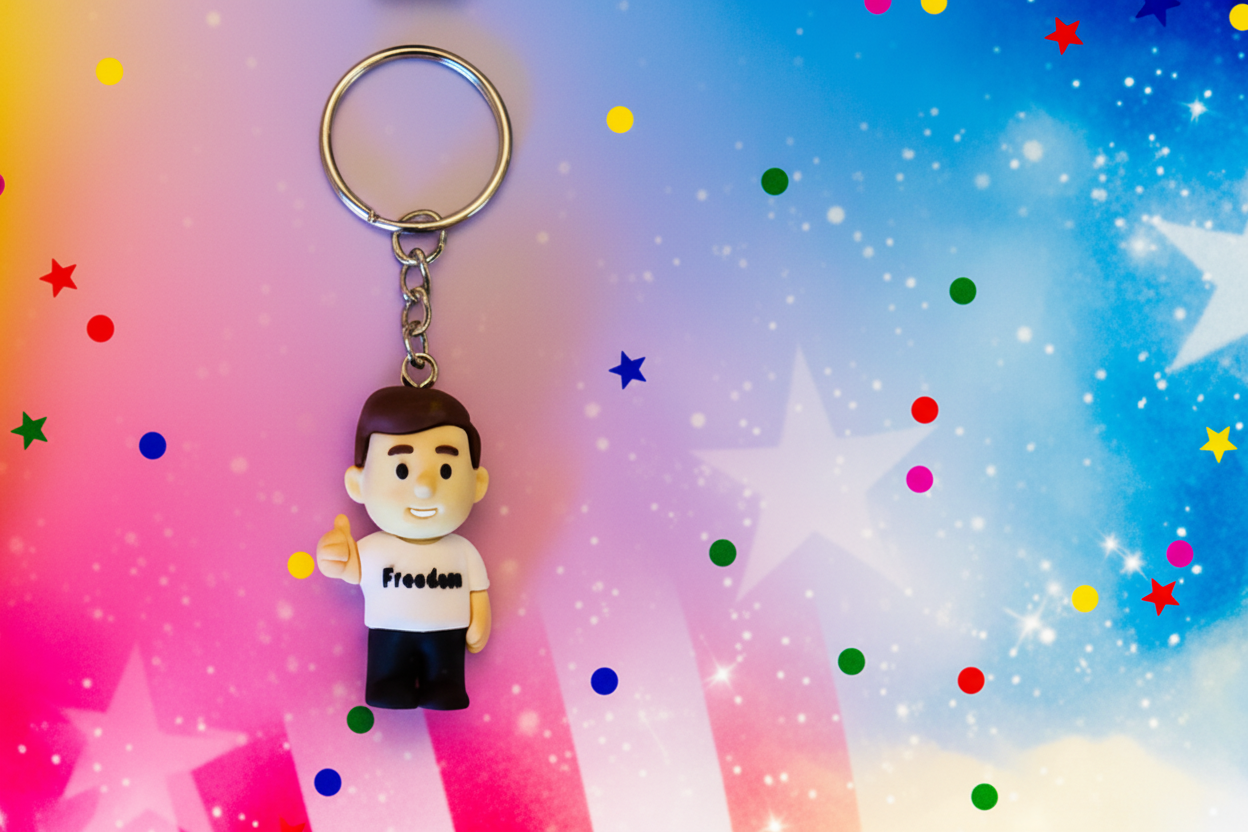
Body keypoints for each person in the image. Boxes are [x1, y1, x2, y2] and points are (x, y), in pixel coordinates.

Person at [316, 386, 491, 710]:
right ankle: (386, 684)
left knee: (446, 678)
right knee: (388, 672)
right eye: (401, 470)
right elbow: (350, 568)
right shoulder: (373, 548)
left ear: (477, 483)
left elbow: (477, 592)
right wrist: (334, 556)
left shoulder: (462, 551)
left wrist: (479, 620)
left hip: (447, 633)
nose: (424, 487)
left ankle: (445, 687)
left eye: (446, 470)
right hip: (389, 631)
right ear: (358, 484)